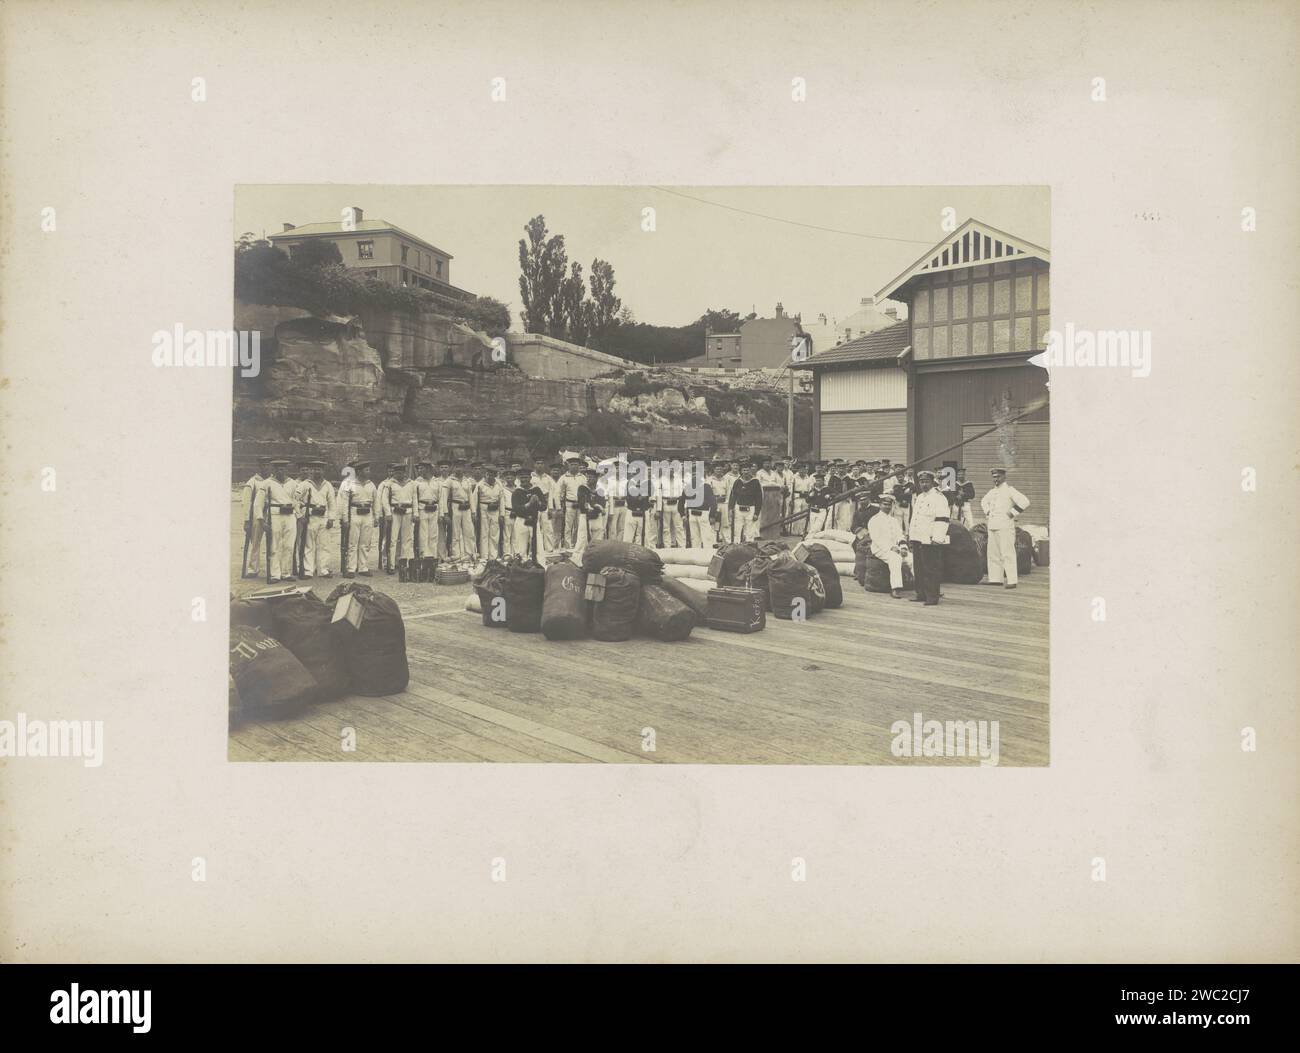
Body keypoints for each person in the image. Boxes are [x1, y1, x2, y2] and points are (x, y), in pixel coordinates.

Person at [980, 467, 1030, 589]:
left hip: (1005, 526)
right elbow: (983, 501)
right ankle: (995, 579)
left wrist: (1011, 513)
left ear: (1004, 477)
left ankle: (1012, 580)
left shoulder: (1009, 490)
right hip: (992, 525)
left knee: (1007, 553)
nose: (995, 479)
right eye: (994, 477)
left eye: (998, 476)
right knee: (993, 553)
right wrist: (987, 512)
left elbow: (1025, 501)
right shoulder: (992, 492)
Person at [907, 470, 950, 606]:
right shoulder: (919, 497)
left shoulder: (939, 497)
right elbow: (914, 518)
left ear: (932, 482)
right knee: (918, 567)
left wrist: (937, 538)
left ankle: (932, 596)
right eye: (921, 482)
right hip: (918, 537)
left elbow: (943, 519)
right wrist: (911, 535)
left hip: (930, 539)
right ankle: (921, 594)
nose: (923, 484)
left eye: (926, 481)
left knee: (930, 568)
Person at [295, 460, 336, 578]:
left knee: (324, 545)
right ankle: (308, 570)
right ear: (311, 470)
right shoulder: (305, 484)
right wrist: (300, 515)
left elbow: (332, 503)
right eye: (315, 469)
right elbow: (295, 500)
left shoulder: (327, 485)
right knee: (309, 545)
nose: (317, 471)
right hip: (310, 517)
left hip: (323, 516)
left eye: (320, 469)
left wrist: (331, 518)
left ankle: (323, 570)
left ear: (323, 471)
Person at [262, 459, 299, 582]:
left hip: (290, 515)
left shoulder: (293, 483)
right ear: (273, 470)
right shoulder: (267, 483)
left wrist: (299, 515)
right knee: (275, 545)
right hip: (275, 515)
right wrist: (262, 520)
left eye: (283, 468)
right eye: (277, 469)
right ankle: (275, 574)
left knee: (289, 545)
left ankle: (286, 573)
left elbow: (296, 501)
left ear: (286, 470)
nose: (280, 471)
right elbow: (259, 503)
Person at [339, 459, 377, 577]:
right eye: (366, 470)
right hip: (354, 513)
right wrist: (345, 519)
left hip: (368, 514)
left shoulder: (371, 484)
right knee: (352, 542)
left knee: (365, 542)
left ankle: (363, 567)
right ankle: (350, 568)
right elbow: (343, 503)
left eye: (368, 469)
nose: (369, 472)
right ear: (359, 471)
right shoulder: (348, 483)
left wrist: (376, 517)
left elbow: (376, 502)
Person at [867, 494, 909, 598]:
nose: (887, 507)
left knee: (912, 558)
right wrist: (891, 548)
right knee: (895, 559)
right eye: (884, 504)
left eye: (889, 505)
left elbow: (900, 534)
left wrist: (903, 547)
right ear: (880, 505)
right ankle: (895, 588)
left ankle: (922, 588)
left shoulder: (894, 520)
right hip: (880, 549)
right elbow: (876, 539)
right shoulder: (874, 519)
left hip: (895, 548)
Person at [240, 456, 271, 577]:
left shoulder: (272, 481)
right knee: (256, 543)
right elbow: (246, 502)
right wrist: (247, 520)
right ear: (260, 467)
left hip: (270, 514)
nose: (266, 467)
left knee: (273, 543)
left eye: (268, 465)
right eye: (264, 465)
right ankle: (253, 569)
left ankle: (273, 570)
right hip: (256, 516)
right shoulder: (252, 482)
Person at [386, 462, 417, 575]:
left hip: (408, 512)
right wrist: (388, 513)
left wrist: (415, 513)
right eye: (396, 472)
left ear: (404, 473)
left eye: (401, 472)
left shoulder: (411, 484)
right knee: (393, 539)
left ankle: (404, 563)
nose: (398, 475)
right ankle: (391, 565)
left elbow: (415, 499)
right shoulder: (389, 484)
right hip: (395, 512)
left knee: (407, 539)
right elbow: (385, 500)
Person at [444, 461, 475, 559]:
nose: (459, 469)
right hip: (455, 506)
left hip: (466, 507)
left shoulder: (467, 481)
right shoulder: (449, 480)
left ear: (464, 468)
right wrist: (445, 513)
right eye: (457, 467)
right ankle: (456, 554)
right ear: (453, 468)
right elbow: (444, 498)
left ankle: (470, 554)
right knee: (455, 532)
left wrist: (473, 512)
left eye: (461, 467)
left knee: (469, 531)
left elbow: (471, 497)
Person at [680, 468, 717, 549]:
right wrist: (682, 515)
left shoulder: (706, 487)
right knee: (694, 537)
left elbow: (713, 502)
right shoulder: (688, 487)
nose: (695, 477)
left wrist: (712, 515)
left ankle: (708, 555)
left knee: (706, 536)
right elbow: (681, 502)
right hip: (692, 514)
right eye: (693, 475)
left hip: (704, 514)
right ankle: (696, 555)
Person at [574, 466, 606, 557]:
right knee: (582, 539)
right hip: (585, 516)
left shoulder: (600, 490)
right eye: (588, 477)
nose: (589, 479)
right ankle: (578, 558)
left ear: (596, 478)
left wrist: (596, 506)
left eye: (592, 477)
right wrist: (596, 506)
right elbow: (583, 503)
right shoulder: (582, 488)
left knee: (598, 539)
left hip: (597, 517)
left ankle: (595, 557)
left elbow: (602, 504)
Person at [475, 464, 505, 560]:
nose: (490, 476)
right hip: (484, 508)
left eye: (492, 474)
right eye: (488, 474)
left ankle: (493, 556)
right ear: (485, 474)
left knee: (494, 533)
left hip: (495, 509)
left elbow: (502, 499)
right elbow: (475, 499)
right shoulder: (480, 484)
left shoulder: (499, 484)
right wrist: (475, 513)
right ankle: (484, 556)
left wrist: (502, 514)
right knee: (484, 532)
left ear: (495, 475)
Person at [728, 460, 763, 543]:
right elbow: (733, 496)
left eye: (747, 470)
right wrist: (731, 508)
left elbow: (759, 498)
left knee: (750, 531)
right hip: (739, 509)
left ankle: (749, 546)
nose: (746, 472)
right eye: (744, 470)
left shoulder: (755, 482)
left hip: (750, 509)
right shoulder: (737, 482)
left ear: (750, 470)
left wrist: (756, 513)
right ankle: (736, 546)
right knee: (737, 529)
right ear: (741, 471)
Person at [555, 456, 585, 548]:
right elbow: (558, 493)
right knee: (568, 526)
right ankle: (567, 546)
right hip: (569, 504)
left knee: (579, 526)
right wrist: (559, 507)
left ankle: (576, 545)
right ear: (568, 466)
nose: (574, 467)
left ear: (579, 466)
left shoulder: (583, 477)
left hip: (580, 504)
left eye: (576, 465)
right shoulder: (564, 478)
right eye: (572, 465)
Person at [413, 460, 439, 566]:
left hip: (434, 508)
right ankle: (423, 556)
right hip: (422, 508)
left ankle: (433, 557)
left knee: (433, 534)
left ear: (428, 469)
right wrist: (416, 513)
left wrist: (441, 513)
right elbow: (414, 498)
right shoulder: (416, 482)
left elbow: (441, 498)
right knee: (423, 534)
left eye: (422, 468)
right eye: (419, 468)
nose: (420, 470)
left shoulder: (437, 482)